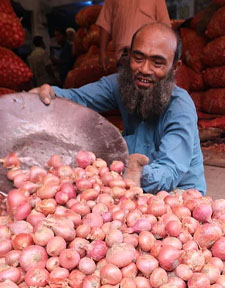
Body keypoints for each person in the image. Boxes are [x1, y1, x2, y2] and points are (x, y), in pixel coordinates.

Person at [31, 22, 206, 194]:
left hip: (178, 192)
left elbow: (171, 170)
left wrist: (140, 173)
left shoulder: (180, 107)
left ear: (175, 68)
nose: (144, 69)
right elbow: (78, 98)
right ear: (129, 56)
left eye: (157, 63)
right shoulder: (121, 84)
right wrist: (50, 93)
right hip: (132, 182)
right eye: (138, 58)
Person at [96, 0, 170, 72]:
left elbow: (165, 28)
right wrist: (102, 52)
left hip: (149, 55)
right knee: (126, 83)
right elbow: (105, 24)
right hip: (124, 56)